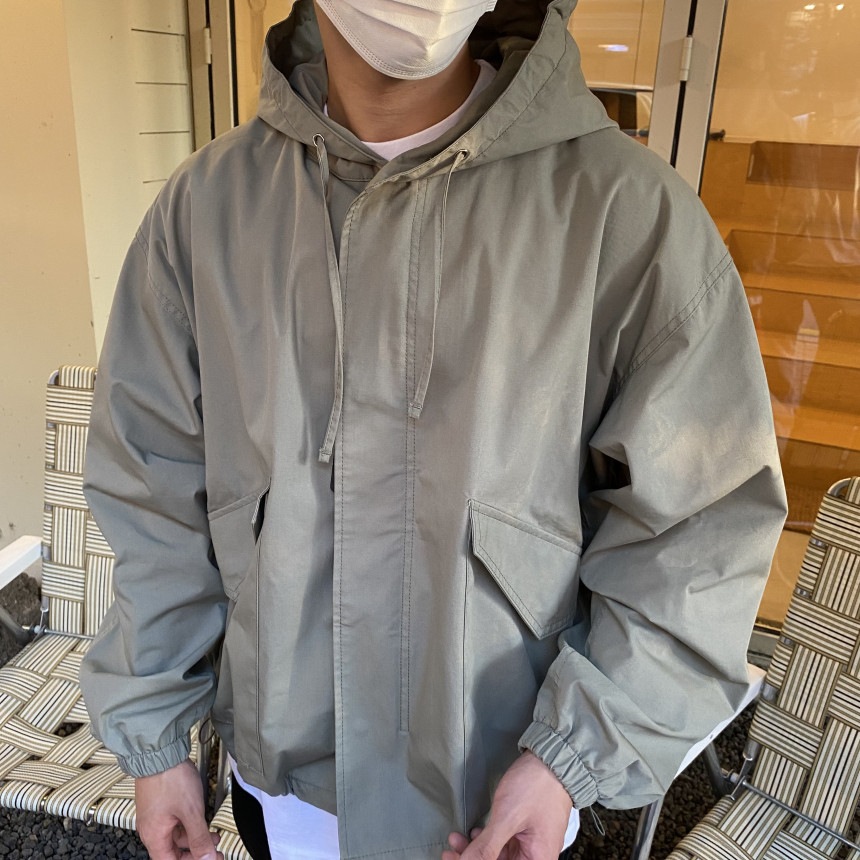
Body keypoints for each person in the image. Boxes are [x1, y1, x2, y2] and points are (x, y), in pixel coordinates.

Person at [79, 0, 788, 858]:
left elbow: (700, 529)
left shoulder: (628, 216)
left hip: (503, 790)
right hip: (287, 786)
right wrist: (156, 733)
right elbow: (155, 491)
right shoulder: (206, 211)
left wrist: (572, 755)